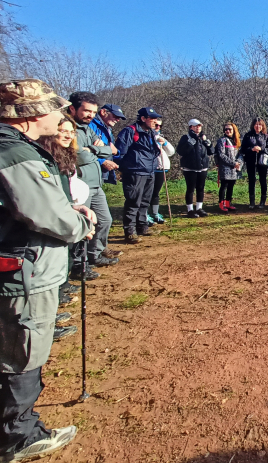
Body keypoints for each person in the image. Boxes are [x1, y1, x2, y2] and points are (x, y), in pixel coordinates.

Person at [0, 78, 95, 462]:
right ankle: (18, 435)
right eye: (54, 109)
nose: (61, 115)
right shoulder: (13, 152)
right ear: (30, 114)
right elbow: (42, 212)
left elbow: (34, 203)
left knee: (20, 344)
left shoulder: (18, 148)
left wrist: (69, 210)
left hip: (26, 263)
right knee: (23, 350)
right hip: (24, 268)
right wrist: (79, 224)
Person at [38, 114, 88, 340]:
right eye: (63, 130)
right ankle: (45, 324)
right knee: (45, 270)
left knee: (61, 259)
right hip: (51, 218)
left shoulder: (65, 155)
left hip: (66, 210)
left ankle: (50, 315)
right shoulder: (45, 156)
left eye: (71, 131)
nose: (68, 135)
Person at [67, 92, 117, 269]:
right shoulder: (68, 129)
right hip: (80, 185)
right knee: (83, 224)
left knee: (105, 220)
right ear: (73, 109)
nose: (90, 115)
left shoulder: (88, 128)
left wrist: (91, 150)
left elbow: (111, 150)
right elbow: (79, 157)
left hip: (96, 184)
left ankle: (95, 254)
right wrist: (96, 150)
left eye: (94, 112)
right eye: (87, 111)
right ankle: (78, 264)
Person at [114, 107, 162, 244]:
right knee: (133, 201)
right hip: (134, 171)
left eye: (156, 119)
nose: (155, 121)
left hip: (149, 171)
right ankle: (130, 232)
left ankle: (142, 226)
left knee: (145, 201)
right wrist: (122, 169)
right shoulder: (129, 131)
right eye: (152, 118)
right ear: (143, 118)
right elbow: (119, 152)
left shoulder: (151, 132)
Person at [176, 119, 213, 217]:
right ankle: (190, 210)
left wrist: (207, 142)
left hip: (202, 167)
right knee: (190, 189)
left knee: (200, 188)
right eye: (196, 126)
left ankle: (199, 208)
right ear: (190, 127)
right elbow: (181, 151)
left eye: (199, 126)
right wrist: (191, 142)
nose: (198, 128)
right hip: (190, 168)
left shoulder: (203, 137)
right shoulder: (185, 138)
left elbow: (211, 151)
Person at [89, 103, 126, 187]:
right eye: (115, 116)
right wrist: (102, 161)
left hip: (101, 173)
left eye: (119, 118)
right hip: (90, 171)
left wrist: (116, 153)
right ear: (103, 112)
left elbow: (111, 150)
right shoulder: (91, 125)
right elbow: (85, 150)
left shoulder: (108, 129)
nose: (118, 120)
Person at [240, 117, 268, 209]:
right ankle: (252, 202)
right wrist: (252, 149)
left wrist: (261, 149)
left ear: (262, 126)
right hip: (250, 161)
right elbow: (243, 149)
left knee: (263, 180)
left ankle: (262, 201)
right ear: (253, 125)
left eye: (260, 124)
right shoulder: (248, 136)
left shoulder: (266, 136)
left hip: (262, 161)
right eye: (256, 124)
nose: (258, 126)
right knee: (251, 180)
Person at [148, 118, 175, 224]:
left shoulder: (160, 137)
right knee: (147, 192)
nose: (158, 127)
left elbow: (171, 152)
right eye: (156, 125)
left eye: (160, 126)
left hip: (162, 168)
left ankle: (155, 213)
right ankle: (145, 214)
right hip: (151, 168)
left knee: (156, 192)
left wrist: (165, 143)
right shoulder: (147, 137)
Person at [215, 122, 243, 212]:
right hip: (225, 167)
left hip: (235, 168)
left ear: (234, 130)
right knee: (224, 186)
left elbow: (240, 154)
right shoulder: (222, 140)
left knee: (231, 186)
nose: (227, 131)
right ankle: (221, 204)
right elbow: (221, 155)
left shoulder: (237, 141)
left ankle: (228, 203)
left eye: (229, 129)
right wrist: (233, 163)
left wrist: (238, 163)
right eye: (226, 129)